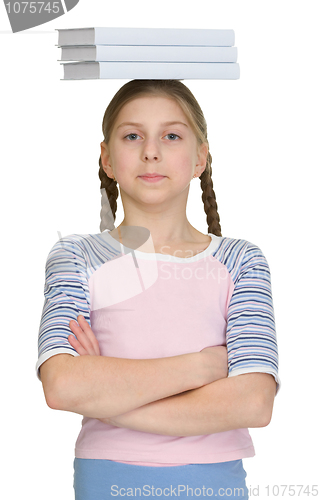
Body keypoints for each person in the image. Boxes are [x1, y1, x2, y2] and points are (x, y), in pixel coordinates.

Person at [36, 79, 280, 500]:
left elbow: (253, 403)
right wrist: (203, 367)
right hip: (107, 478)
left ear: (200, 156)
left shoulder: (241, 260)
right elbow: (62, 387)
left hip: (214, 481)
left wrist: (106, 393)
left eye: (171, 135)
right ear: (107, 158)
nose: (151, 151)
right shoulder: (77, 255)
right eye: (132, 135)